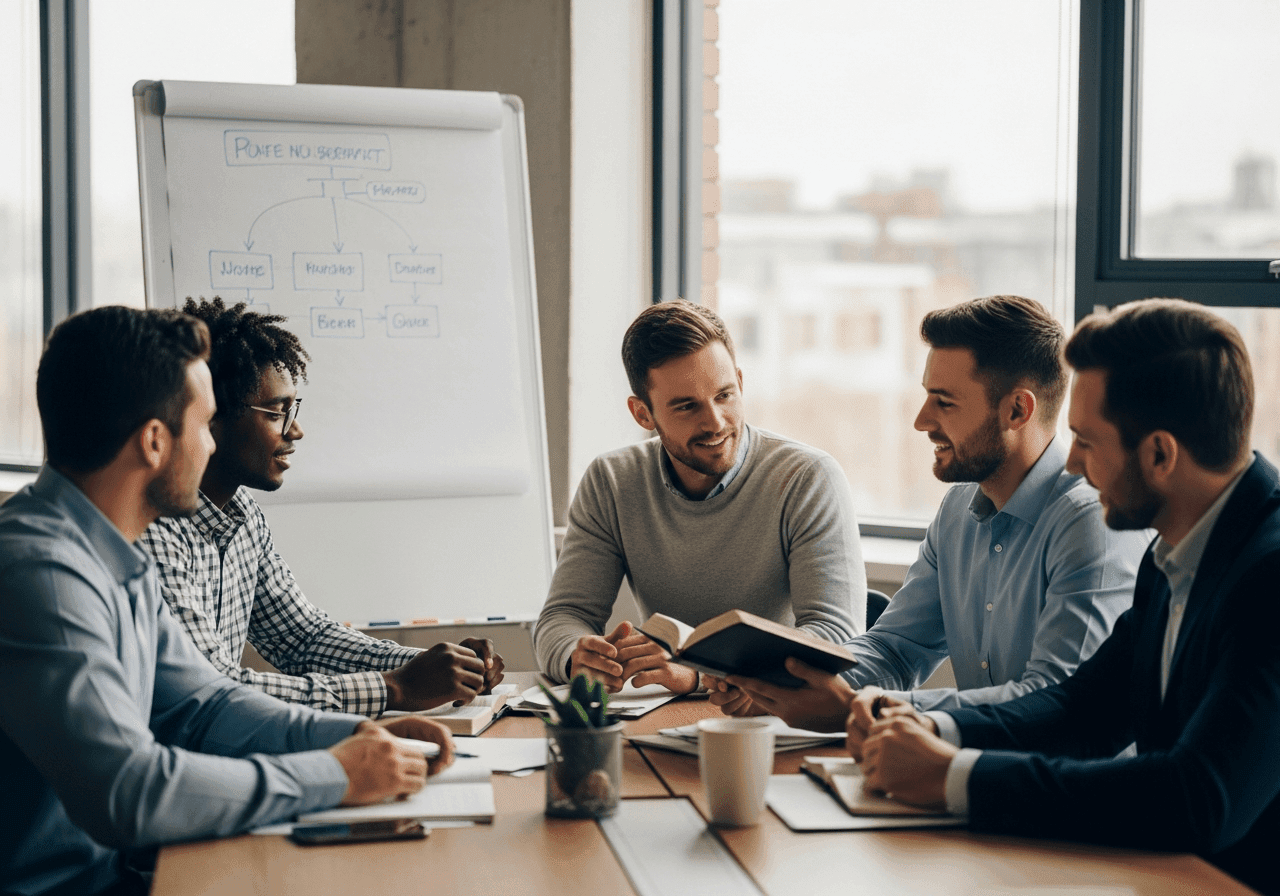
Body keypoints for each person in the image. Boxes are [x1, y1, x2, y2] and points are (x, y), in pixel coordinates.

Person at [0, 306, 455, 896]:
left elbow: (204, 705)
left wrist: (354, 736)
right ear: (155, 442)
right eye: (204, 425)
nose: (210, 445)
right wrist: (334, 774)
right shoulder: (44, 576)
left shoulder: (111, 552)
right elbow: (128, 794)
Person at [852, 298, 1280, 895]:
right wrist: (929, 728)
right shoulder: (1173, 551)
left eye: (1085, 441)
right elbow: (1084, 711)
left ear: (1159, 454)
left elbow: (1199, 796)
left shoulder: (1269, 576)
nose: (1072, 464)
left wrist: (956, 777)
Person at [715, 296, 1151, 727]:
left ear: (1017, 410)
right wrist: (789, 685)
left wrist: (864, 708)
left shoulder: (1091, 522)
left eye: (944, 402)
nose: (921, 421)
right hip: (964, 759)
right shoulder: (959, 509)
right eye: (927, 397)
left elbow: (1052, 702)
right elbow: (894, 649)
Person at [138, 298, 503, 717]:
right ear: (211, 417)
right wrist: (394, 688)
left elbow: (303, 638)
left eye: (293, 410)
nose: (295, 430)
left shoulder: (243, 515)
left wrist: (440, 667)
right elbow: (214, 689)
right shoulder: (153, 530)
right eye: (277, 412)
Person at [533, 299, 865, 692]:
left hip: (770, 711)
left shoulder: (806, 478)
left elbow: (836, 636)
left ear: (740, 381)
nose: (715, 423)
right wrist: (579, 655)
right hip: (663, 713)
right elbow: (563, 615)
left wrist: (700, 674)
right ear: (643, 414)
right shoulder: (612, 481)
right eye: (687, 407)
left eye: (724, 395)